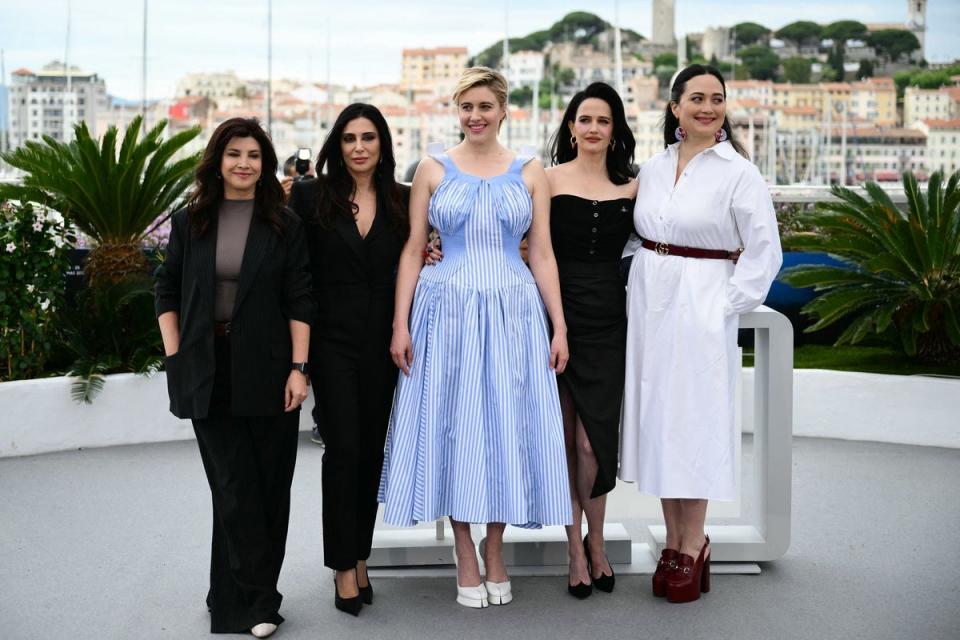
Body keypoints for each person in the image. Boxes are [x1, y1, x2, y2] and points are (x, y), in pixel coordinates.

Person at [379, 66, 572, 609]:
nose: (475, 116)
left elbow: (542, 253)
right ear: (456, 110)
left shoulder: (531, 170)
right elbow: (414, 248)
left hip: (514, 312)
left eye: (485, 106)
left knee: (508, 427)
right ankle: (464, 550)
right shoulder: (433, 168)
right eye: (466, 106)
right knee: (456, 427)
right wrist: (400, 323)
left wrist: (559, 325)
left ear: (503, 108)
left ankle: (495, 548)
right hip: (446, 314)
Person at [619, 64, 783, 603]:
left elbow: (764, 253)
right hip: (651, 305)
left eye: (716, 98)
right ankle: (671, 538)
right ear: (675, 107)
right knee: (661, 422)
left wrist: (724, 307)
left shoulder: (739, 173)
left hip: (703, 305)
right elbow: (632, 235)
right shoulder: (656, 167)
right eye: (696, 97)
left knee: (697, 422)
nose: (707, 107)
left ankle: (694, 543)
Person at [154, 117, 314, 638]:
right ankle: (260, 602)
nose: (244, 163)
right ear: (217, 161)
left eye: (253, 155)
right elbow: (166, 291)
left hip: (270, 372)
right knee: (233, 485)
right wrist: (177, 357)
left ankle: (228, 595)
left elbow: (300, 301)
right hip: (207, 369)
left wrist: (299, 368)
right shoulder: (190, 221)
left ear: (265, 164)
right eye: (234, 154)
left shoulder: (285, 225)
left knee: (269, 488)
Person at [287, 103, 409, 617]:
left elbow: (417, 256)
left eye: (369, 137)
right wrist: (297, 356)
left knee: (372, 455)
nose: (359, 147)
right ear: (337, 145)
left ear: (383, 144)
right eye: (349, 138)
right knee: (343, 451)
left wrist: (434, 253)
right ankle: (342, 565)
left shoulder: (403, 200)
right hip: (330, 343)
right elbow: (294, 270)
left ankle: (360, 554)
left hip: (385, 344)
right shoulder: (310, 195)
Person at [545, 82, 637, 599]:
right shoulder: (547, 178)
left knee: (592, 442)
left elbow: (662, 238)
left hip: (610, 321)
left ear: (615, 129)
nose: (594, 129)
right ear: (572, 126)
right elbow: (524, 242)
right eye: (585, 119)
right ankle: (573, 549)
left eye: (604, 120)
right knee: (563, 438)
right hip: (557, 318)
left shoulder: (633, 186)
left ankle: (596, 540)